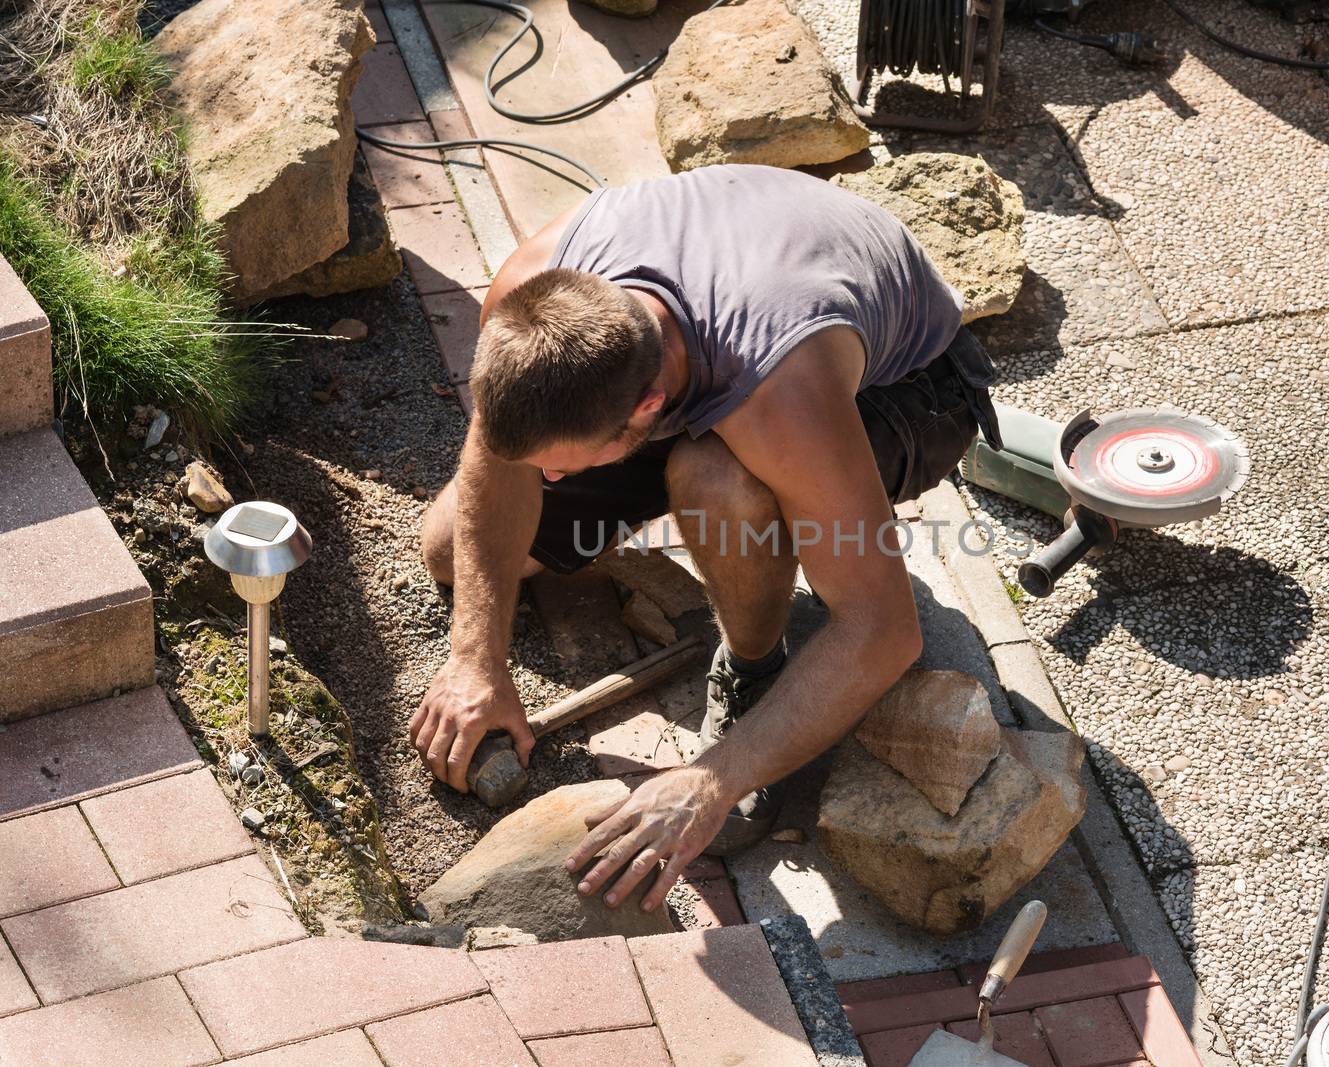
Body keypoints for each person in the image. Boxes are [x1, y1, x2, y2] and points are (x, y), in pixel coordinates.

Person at [411, 163, 999, 915]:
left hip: (911, 383)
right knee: (446, 547)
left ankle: (754, 661)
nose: (550, 477)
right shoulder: (531, 299)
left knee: (717, 480)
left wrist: (714, 780)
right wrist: (474, 658)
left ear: (647, 409)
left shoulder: (779, 389)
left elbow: (884, 631)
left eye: (562, 462)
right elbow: (496, 459)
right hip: (718, 325)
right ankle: (718, 528)